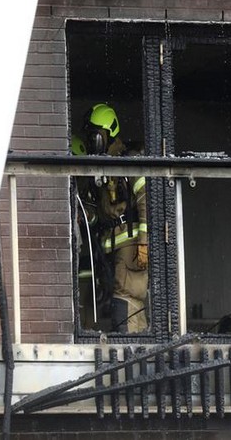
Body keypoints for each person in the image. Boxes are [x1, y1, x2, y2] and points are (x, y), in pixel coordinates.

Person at [83, 103, 148, 333]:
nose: (94, 144)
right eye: (91, 139)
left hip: (131, 246)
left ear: (110, 135)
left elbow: (145, 201)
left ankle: (133, 354)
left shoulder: (127, 162)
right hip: (111, 251)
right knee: (121, 301)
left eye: (98, 138)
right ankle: (138, 353)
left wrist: (144, 242)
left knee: (127, 300)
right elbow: (95, 211)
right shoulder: (100, 169)